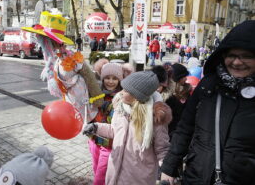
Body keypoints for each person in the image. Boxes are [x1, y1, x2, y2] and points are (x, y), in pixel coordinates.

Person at [161, 20, 255, 184]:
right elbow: (185, 127)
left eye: (247, 56)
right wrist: (170, 166)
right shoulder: (209, 86)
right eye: (232, 55)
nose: (237, 62)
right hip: (197, 176)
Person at [84, 71, 171, 185]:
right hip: (116, 171)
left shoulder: (155, 119)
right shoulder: (121, 109)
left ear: (137, 96)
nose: (120, 93)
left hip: (139, 177)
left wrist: (166, 173)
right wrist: (96, 127)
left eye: (125, 90)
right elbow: (115, 130)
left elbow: (162, 149)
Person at [88, 62, 124, 185]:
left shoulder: (122, 97)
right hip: (94, 140)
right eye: (107, 78)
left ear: (120, 80)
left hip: (109, 144)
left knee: (100, 177)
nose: (110, 81)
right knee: (95, 168)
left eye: (114, 78)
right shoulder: (97, 94)